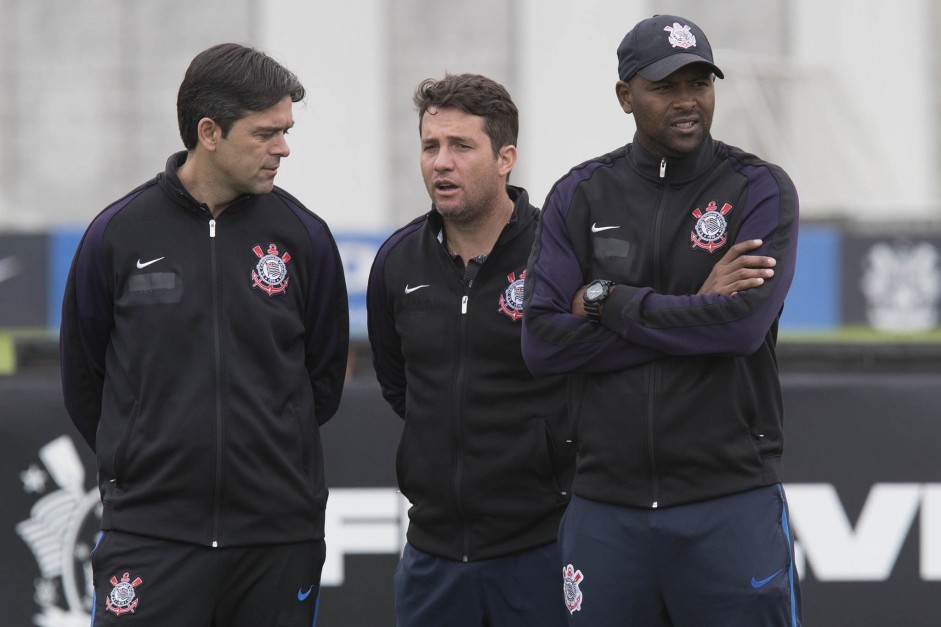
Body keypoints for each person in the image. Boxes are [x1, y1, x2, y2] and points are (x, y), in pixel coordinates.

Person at [522, 15, 802, 627]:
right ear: (625, 96)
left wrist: (607, 301)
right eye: (665, 86)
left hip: (729, 500)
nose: (687, 101)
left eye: (700, 82)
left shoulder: (758, 186)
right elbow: (542, 342)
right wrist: (690, 311)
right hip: (606, 506)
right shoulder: (580, 193)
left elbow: (739, 330)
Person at [60, 43, 349, 626]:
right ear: (209, 132)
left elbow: (321, 377)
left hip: (276, 538)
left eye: (286, 130)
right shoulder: (118, 235)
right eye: (266, 133)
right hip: (150, 535)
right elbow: (84, 379)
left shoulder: (305, 237)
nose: (283, 148)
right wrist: (147, 456)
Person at [367, 73, 573, 627]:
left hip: (543, 548)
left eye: (461, 146)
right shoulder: (396, 262)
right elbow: (399, 385)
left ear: (506, 157)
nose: (440, 162)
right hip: (432, 558)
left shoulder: (557, 254)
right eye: (431, 146)